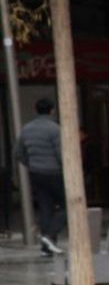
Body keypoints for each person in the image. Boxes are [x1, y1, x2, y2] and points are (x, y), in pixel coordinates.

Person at [16, 97, 64, 256]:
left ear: (36, 110)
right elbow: (60, 154)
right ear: (52, 110)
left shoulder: (26, 129)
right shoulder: (55, 129)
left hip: (36, 173)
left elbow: (18, 153)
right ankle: (50, 237)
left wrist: (31, 165)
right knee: (69, 207)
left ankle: (46, 247)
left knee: (45, 208)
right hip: (54, 173)